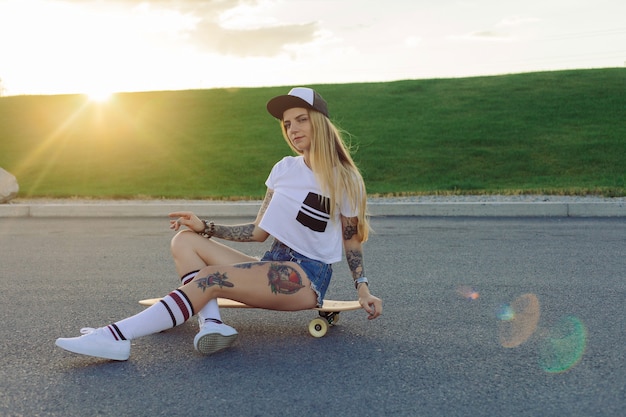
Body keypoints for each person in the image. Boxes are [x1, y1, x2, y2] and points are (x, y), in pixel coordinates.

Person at [55, 87, 383, 360]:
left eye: (301, 120)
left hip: (305, 278)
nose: (293, 129)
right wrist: (204, 227)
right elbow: (257, 232)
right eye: (286, 124)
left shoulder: (345, 179)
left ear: (321, 123)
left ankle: (115, 336)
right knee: (184, 240)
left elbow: (352, 241)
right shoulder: (283, 169)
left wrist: (363, 288)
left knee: (210, 277)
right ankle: (212, 324)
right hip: (272, 264)